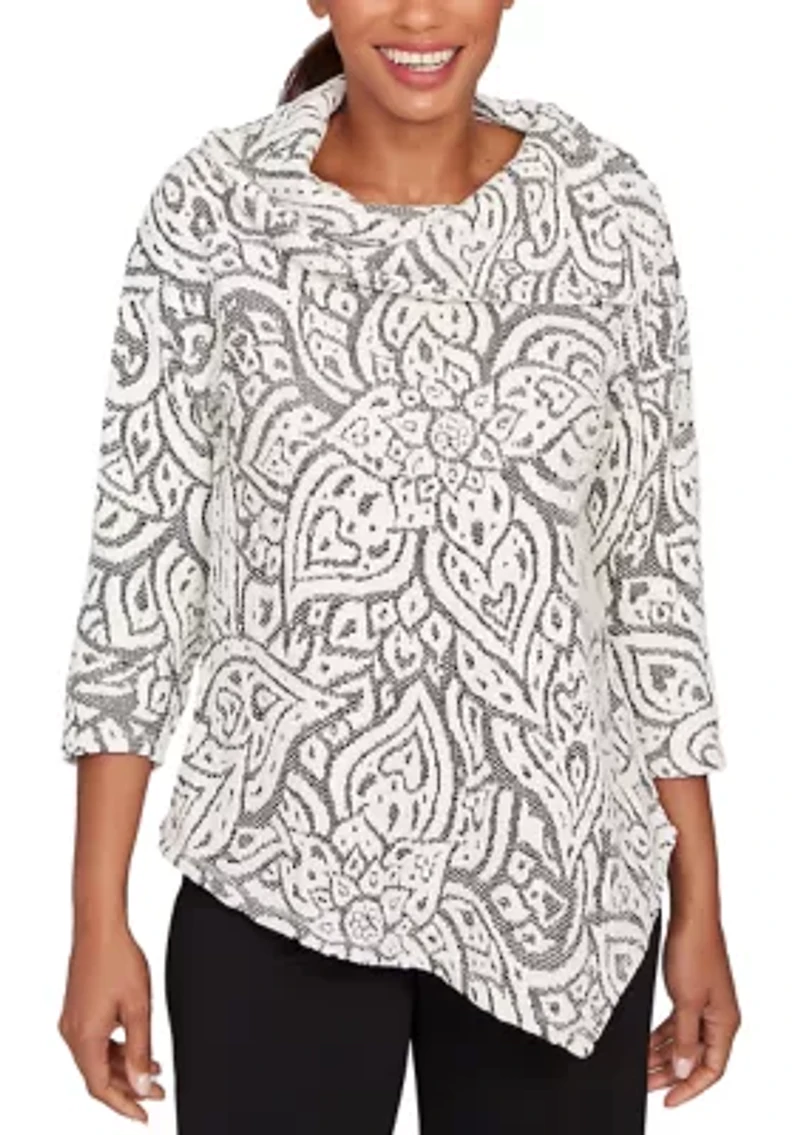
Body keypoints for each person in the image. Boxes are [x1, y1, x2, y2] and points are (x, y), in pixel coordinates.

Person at [56, 2, 741, 1132]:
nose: (419, 13)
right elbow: (144, 564)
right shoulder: (215, 209)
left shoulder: (604, 210)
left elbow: (648, 572)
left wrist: (700, 904)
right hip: (277, 872)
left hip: (557, 894)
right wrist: (97, 917)